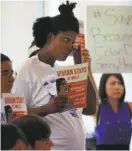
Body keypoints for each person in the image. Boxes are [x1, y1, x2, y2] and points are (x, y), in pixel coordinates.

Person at [11, 1, 97, 149]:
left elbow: (90, 109)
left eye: (73, 42)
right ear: (50, 36)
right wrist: (46, 109)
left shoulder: (63, 73)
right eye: (65, 40)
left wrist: (81, 67)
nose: (69, 46)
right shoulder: (27, 69)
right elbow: (14, 117)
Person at [95, 74, 132, 150]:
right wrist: (88, 70)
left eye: (120, 83)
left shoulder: (130, 106)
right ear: (104, 86)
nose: (117, 87)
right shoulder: (97, 109)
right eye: (113, 83)